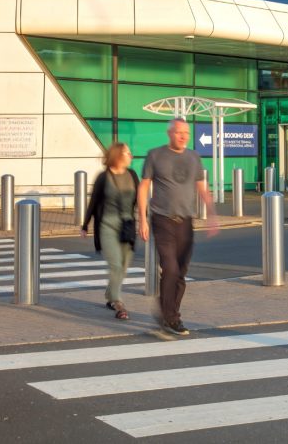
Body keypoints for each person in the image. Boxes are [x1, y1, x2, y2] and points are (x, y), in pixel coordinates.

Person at [137, 118, 218, 336]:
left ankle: (167, 313)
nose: (183, 136)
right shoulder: (155, 155)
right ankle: (172, 319)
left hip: (186, 221)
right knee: (170, 269)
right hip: (162, 220)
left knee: (181, 273)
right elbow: (144, 187)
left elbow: (202, 187)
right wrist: (142, 219)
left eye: (186, 133)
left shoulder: (193, 157)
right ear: (170, 133)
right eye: (179, 132)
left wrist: (211, 214)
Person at [81, 142, 139, 320]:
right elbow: (93, 202)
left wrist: (145, 219)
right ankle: (117, 302)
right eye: (128, 153)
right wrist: (85, 224)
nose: (131, 156)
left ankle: (109, 294)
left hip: (127, 225)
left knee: (123, 265)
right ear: (118, 156)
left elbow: (140, 199)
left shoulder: (132, 175)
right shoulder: (103, 177)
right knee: (115, 265)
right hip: (107, 224)